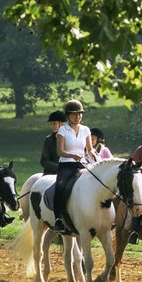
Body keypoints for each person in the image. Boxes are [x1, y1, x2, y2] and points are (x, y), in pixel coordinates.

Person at [53, 99, 97, 232]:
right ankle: (58, 219)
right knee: (60, 187)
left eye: (80, 114)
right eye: (74, 114)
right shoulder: (62, 130)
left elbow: (89, 149)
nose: (78, 117)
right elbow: (60, 152)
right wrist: (73, 156)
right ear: (68, 116)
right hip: (66, 165)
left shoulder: (86, 130)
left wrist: (94, 155)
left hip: (81, 165)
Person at [40, 110, 66, 175]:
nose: (52, 126)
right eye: (51, 124)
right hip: (52, 174)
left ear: (62, 124)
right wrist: (60, 167)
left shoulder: (71, 138)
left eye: (54, 123)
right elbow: (44, 161)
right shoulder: (49, 140)